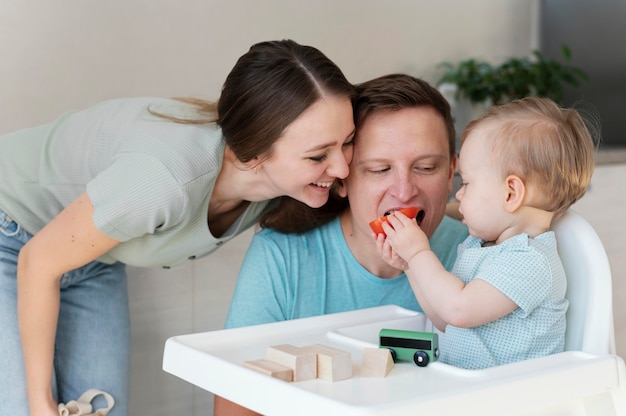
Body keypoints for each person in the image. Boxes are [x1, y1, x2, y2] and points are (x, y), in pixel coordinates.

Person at [0, 39, 356, 416]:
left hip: (91, 258)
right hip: (14, 232)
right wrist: (38, 402)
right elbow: (38, 261)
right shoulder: (164, 179)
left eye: (348, 143)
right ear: (254, 152)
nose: (342, 168)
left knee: (102, 409)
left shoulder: (284, 189)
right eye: (319, 155)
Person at [214, 73, 469, 415]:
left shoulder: (478, 254)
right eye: (380, 169)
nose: (404, 190)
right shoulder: (281, 258)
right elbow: (236, 406)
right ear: (342, 181)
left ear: (452, 170)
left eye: (425, 167)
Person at [378, 96, 595, 369]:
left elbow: (458, 309)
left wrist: (419, 251)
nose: (459, 193)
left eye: (467, 183)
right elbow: (444, 319)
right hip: (474, 391)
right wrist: (409, 264)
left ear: (511, 193)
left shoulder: (531, 262)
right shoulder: (480, 246)